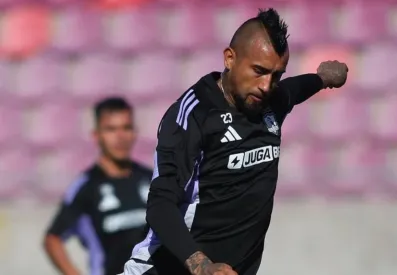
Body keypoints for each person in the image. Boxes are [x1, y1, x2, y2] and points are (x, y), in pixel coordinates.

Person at [123, 8, 348, 275]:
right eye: (259, 71)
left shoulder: (270, 100)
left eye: (276, 75)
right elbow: (160, 206)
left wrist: (323, 79)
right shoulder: (195, 114)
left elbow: (294, 90)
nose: (266, 85)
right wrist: (202, 265)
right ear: (230, 58)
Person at [43, 97, 153, 275]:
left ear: (135, 132)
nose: (120, 137)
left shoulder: (151, 179)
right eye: (111, 129)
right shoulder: (86, 186)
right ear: (96, 135)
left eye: (126, 128)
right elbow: (53, 239)